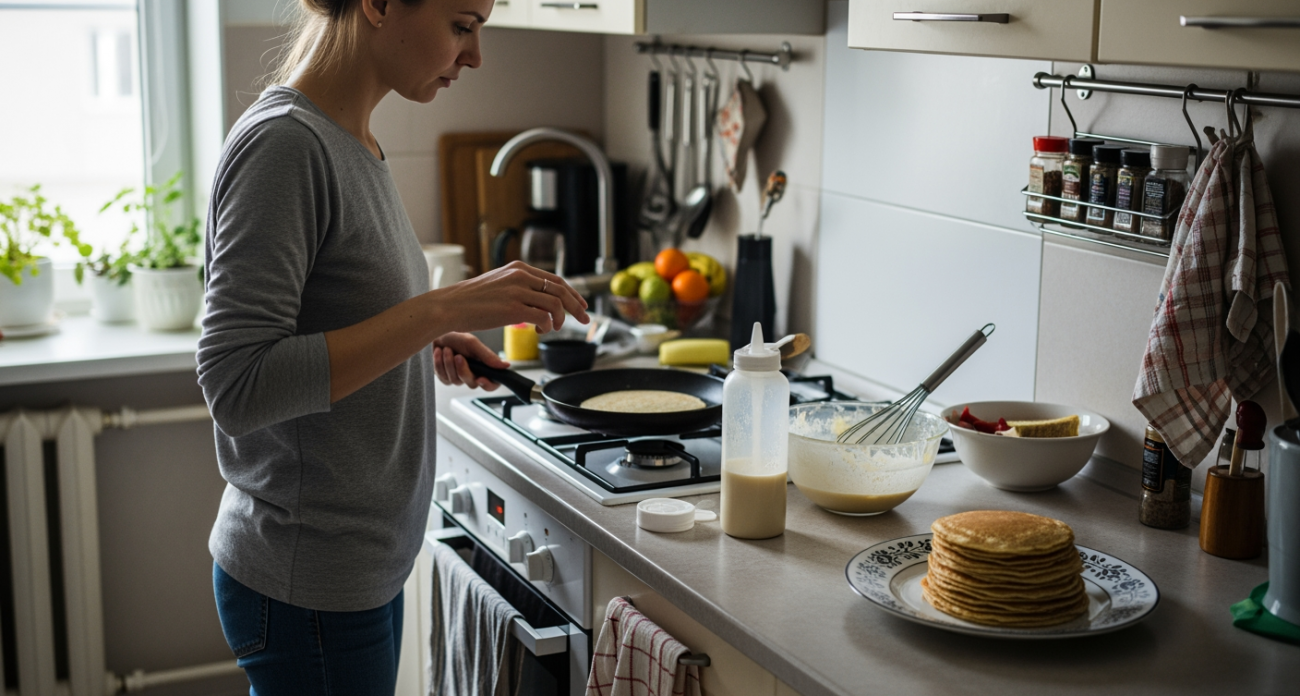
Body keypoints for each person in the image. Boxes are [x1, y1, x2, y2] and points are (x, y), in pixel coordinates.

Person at [196, 0, 588, 692]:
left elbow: (331, 316)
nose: (475, 56)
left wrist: (427, 334)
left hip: (352, 574)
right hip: (309, 584)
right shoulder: (286, 146)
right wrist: (440, 308)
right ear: (377, 5)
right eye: (462, 25)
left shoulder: (353, 141)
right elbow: (239, 385)